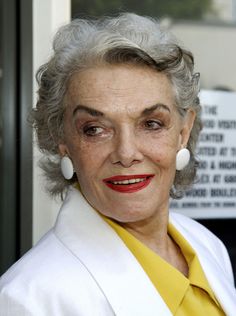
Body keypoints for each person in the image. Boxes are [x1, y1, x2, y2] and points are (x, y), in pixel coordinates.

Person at [0, 13, 235, 316]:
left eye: (151, 123)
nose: (126, 153)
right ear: (62, 141)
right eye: (94, 129)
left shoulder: (207, 246)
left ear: (183, 132)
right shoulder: (26, 301)